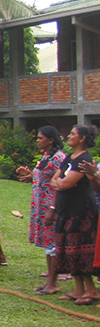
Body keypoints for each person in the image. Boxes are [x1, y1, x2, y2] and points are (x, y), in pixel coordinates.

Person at [50, 125, 99, 305]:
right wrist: (59, 183)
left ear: (82, 138)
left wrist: (60, 183)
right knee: (68, 248)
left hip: (81, 211)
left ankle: (91, 290)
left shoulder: (85, 159)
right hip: (66, 209)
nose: (68, 136)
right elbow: (54, 180)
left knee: (79, 248)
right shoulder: (70, 157)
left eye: (72, 134)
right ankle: (79, 289)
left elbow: (65, 184)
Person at [16, 126, 66, 294]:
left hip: (51, 206)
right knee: (47, 244)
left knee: (52, 244)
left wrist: (53, 208)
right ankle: (50, 279)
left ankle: (54, 282)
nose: (37, 140)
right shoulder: (46, 156)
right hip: (40, 206)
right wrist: (31, 175)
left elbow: (61, 183)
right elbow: (45, 177)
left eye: (40, 138)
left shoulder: (59, 158)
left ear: (50, 140)